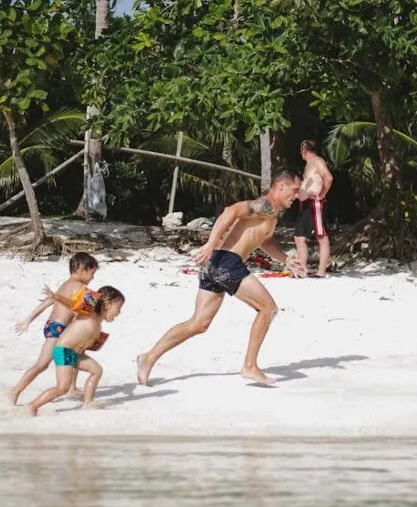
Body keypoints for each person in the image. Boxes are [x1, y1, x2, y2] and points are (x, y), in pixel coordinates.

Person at [136, 169, 306, 387]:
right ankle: (250, 366)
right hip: (227, 262)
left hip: (215, 263)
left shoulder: (271, 213)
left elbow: (264, 241)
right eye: (294, 190)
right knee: (268, 309)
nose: (297, 195)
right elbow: (230, 211)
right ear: (281, 186)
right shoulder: (266, 205)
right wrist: (210, 243)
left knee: (198, 323)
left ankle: (148, 357)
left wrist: (286, 260)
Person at [10, 252, 99, 405]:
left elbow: (47, 302)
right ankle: (15, 391)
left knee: (77, 350)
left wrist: (28, 319)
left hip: (53, 326)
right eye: (92, 273)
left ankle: (71, 387)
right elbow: (87, 309)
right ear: (81, 269)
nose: (92, 278)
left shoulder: (65, 284)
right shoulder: (80, 288)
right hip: (59, 329)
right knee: (41, 365)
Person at [28, 286, 125, 416]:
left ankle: (88, 403)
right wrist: (56, 296)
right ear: (107, 305)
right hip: (64, 351)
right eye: (118, 308)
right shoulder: (89, 313)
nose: (119, 312)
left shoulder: (97, 322)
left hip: (76, 354)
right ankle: (33, 406)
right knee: (63, 387)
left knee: (97, 370)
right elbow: (74, 304)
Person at [293, 139, 334, 277]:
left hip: (315, 203)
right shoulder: (308, 164)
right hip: (304, 205)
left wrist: (322, 194)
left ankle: (321, 271)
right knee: (299, 237)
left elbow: (328, 178)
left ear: (304, 149)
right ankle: (302, 270)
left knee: (321, 236)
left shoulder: (317, 161)